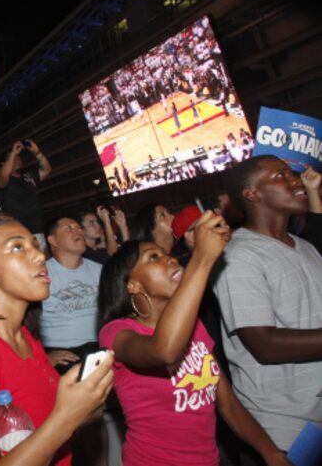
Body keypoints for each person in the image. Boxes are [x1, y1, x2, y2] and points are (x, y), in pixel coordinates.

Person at [98, 213, 289, 466]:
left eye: (166, 254)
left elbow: (228, 403)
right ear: (132, 285)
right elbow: (164, 351)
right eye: (153, 257)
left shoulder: (193, 326)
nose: (169, 258)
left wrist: (271, 453)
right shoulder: (116, 333)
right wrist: (201, 258)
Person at [0, 213, 114, 465]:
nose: (38, 255)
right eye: (17, 247)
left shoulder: (24, 336)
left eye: (35, 246)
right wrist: (66, 418)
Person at [214, 156, 322, 454]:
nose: (296, 180)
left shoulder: (306, 248)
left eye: (292, 174)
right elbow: (264, 343)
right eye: (281, 175)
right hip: (284, 429)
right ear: (252, 194)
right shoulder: (239, 257)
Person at [40, 217, 103, 372]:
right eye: (69, 228)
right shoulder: (40, 275)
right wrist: (43, 356)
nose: (78, 231)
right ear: (53, 240)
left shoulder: (100, 270)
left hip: (99, 348)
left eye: (79, 227)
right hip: (61, 352)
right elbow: (22, 325)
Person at [0, 140, 52, 250]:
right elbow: (2, 177)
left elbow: (46, 170)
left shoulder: (28, 176)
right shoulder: (3, 179)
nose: (18, 160)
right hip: (16, 231)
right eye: (14, 158)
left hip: (37, 230)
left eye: (18, 157)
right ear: (4, 163)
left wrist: (37, 153)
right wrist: (13, 152)